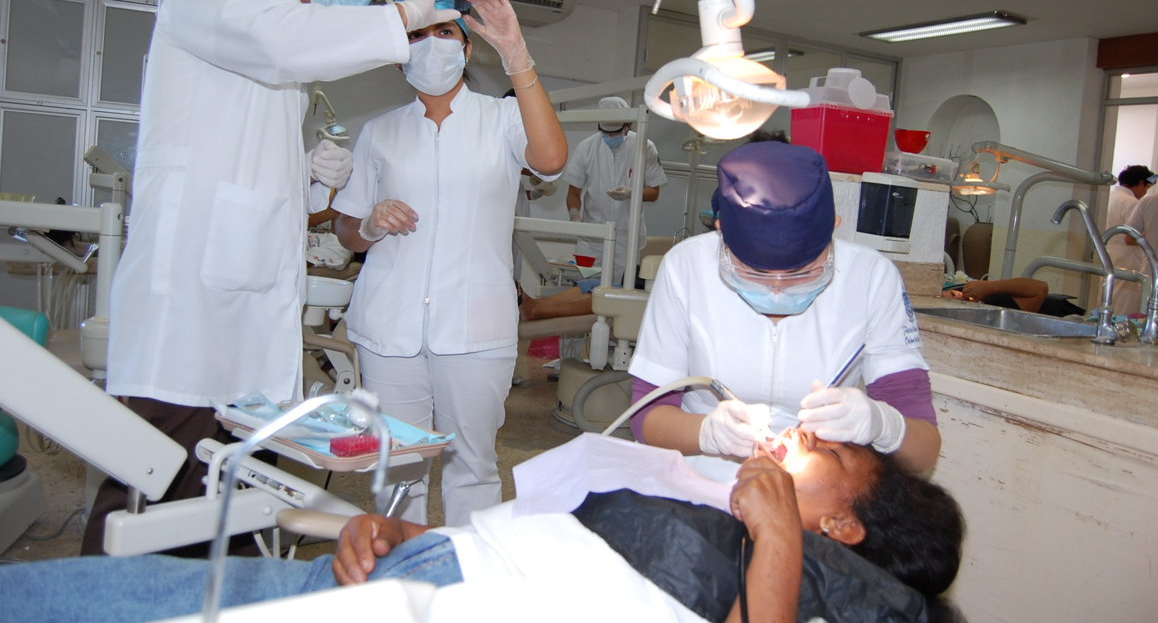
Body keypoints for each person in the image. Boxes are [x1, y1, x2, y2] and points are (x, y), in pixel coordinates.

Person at [85, 0, 470, 556]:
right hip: (190, 308)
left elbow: (247, 164)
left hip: (246, 313)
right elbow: (278, 43)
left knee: (239, 495)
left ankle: (229, 593)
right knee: (153, 485)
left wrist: (310, 178)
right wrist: (404, 16)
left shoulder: (287, 44)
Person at [0, 431, 965, 623]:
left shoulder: (823, 594)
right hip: (425, 567)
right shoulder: (730, 519)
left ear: (845, 525)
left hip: (446, 605)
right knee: (113, 595)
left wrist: (779, 537)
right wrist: (396, 531)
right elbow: (551, 534)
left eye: (833, 454)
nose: (804, 437)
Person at [332, 0, 567, 527]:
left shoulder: (502, 119)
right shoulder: (380, 131)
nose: (432, 44)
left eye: (445, 32)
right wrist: (368, 223)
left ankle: (469, 570)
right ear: (399, 53)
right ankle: (403, 567)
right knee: (398, 466)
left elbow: (552, 158)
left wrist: (517, 55)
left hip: (475, 325)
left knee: (472, 464)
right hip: (389, 326)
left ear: (467, 49)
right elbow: (347, 230)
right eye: (418, 34)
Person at [628, 142, 942, 480]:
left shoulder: (872, 278)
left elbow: (923, 452)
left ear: (833, 228)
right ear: (722, 231)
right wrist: (706, 433)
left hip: (817, 487)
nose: (778, 290)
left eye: (802, 272)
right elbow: (647, 417)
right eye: (755, 272)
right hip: (700, 476)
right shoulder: (686, 267)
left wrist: (883, 426)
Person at [564, 96, 667, 288]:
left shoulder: (645, 147)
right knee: (584, 288)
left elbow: (654, 192)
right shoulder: (586, 148)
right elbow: (573, 192)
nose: (611, 137)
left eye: (616, 132)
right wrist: (575, 216)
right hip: (592, 238)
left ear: (628, 125)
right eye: (607, 132)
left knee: (620, 291)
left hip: (627, 238)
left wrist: (633, 193)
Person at [1106, 164, 1155, 315]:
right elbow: (1130, 237)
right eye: (1146, 187)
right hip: (1129, 259)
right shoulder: (1131, 202)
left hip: (1111, 254)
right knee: (1126, 304)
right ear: (1140, 183)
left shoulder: (1111, 197)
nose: (1145, 192)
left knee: (1110, 298)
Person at [942, 276, 1085, 317]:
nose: (960, 296)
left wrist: (988, 287)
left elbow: (1040, 287)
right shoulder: (995, 311)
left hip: (1064, 312)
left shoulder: (994, 301)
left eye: (954, 293)